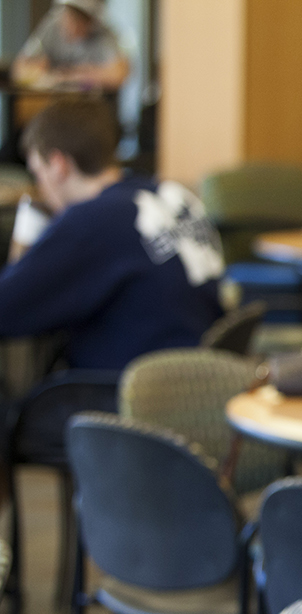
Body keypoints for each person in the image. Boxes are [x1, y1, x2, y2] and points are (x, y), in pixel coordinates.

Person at [0, 98, 223, 369]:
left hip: (128, 393)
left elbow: (7, 309)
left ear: (58, 164)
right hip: (202, 379)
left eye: (38, 172)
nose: (40, 189)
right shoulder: (174, 195)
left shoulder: (91, 221)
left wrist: (27, 233)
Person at [12, 0, 130, 92]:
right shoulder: (51, 26)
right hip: (52, 104)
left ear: (91, 21)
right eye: (69, 17)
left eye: (80, 21)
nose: (73, 28)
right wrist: (44, 75)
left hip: (90, 107)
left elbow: (119, 74)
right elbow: (19, 70)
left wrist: (70, 76)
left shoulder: (103, 33)